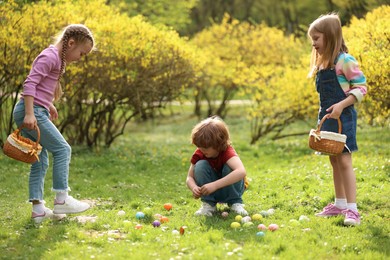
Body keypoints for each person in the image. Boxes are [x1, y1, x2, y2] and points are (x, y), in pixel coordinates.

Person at [13, 24, 95, 224]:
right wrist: (31, 114)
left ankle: (38, 210)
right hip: (30, 111)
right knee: (63, 149)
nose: (80, 59)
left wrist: (48, 103)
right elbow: (29, 84)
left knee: (40, 159)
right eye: (82, 53)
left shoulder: (57, 59)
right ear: (71, 43)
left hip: (37, 109)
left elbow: (40, 87)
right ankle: (62, 198)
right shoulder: (50, 57)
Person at [307, 14, 367, 226]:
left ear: (331, 37)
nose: (313, 43)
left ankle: (353, 210)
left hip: (344, 118)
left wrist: (342, 105)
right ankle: (339, 204)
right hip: (327, 118)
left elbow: (361, 88)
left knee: (344, 160)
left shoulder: (345, 61)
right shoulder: (324, 64)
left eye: (316, 38)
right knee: (334, 159)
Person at [186, 116, 249, 216]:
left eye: (205, 147)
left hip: (231, 190)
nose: (201, 149)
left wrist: (215, 185)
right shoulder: (200, 153)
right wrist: (194, 187)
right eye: (199, 146)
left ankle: (235, 203)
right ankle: (209, 205)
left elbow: (241, 171)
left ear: (218, 144)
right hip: (210, 191)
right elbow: (189, 177)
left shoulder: (227, 152)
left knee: (230, 168)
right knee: (200, 165)